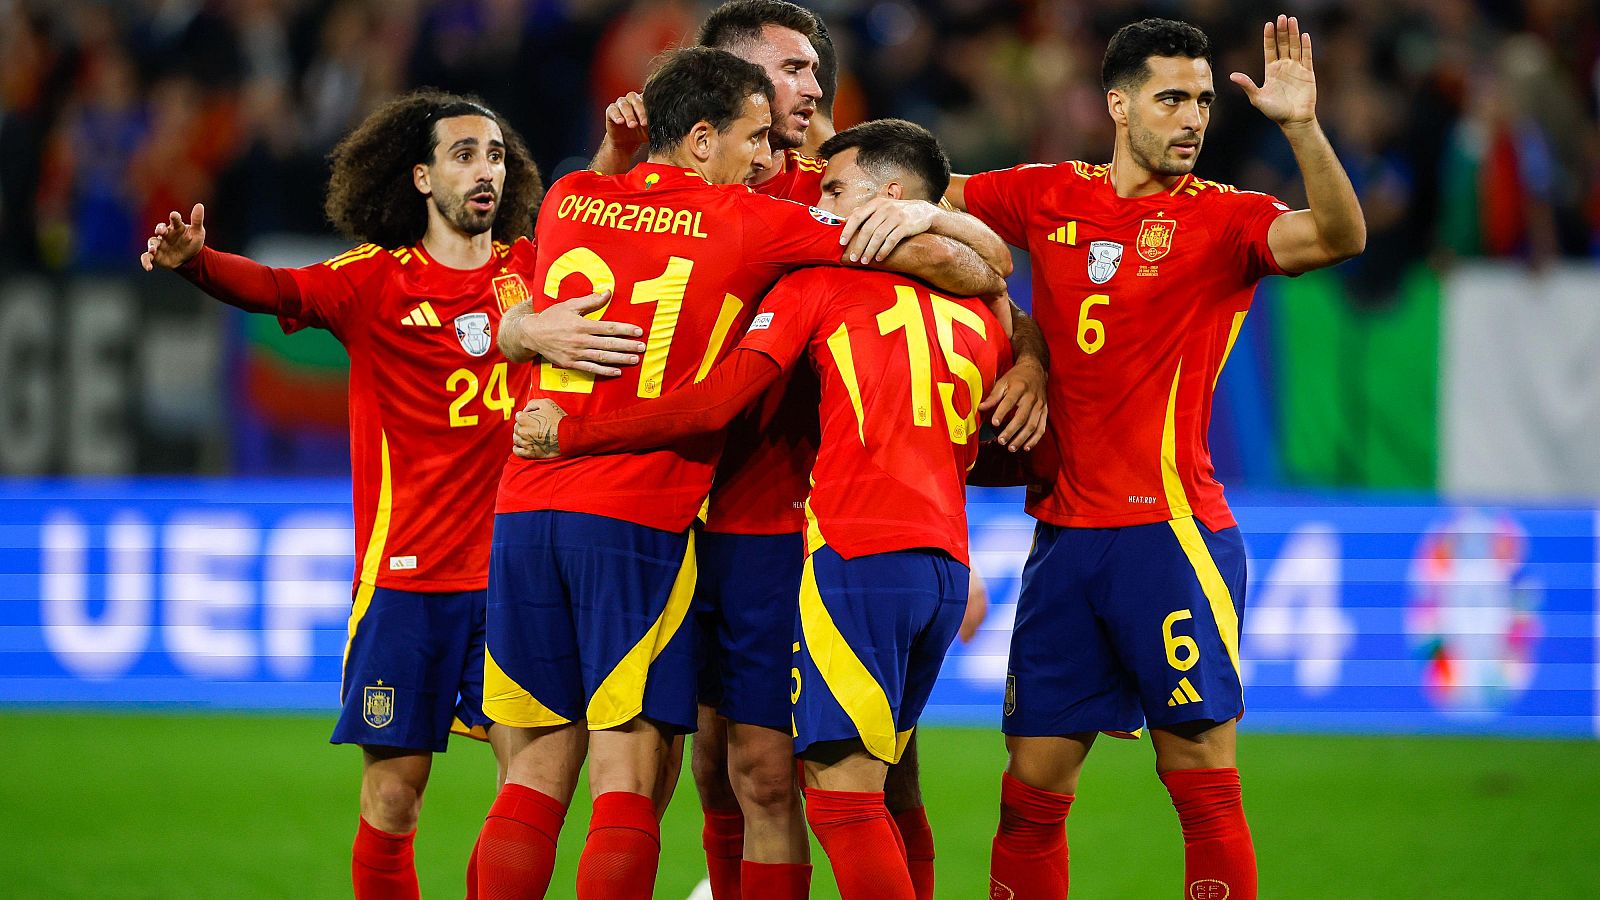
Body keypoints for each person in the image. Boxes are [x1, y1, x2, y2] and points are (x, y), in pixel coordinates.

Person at [473, 49, 1005, 900]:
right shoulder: (752, 220)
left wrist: (516, 333)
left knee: (533, 772)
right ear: (700, 138)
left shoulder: (571, 195)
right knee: (630, 778)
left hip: (528, 505)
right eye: (753, 135)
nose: (766, 155)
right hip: (641, 515)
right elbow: (959, 266)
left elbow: (520, 291)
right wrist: (963, 238)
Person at [138, 90, 641, 900]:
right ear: (420, 176)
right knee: (392, 802)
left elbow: (587, 209)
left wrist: (617, 149)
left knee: (529, 792)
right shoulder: (375, 279)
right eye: (464, 155)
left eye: (495, 156)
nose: (485, 171)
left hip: (513, 580)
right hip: (406, 583)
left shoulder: (528, 270)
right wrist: (197, 260)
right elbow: (279, 289)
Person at [594, 6, 1042, 900]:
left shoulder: (827, 185)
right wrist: (524, 324)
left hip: (798, 525)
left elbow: (985, 281)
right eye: (793, 69)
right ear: (730, 81)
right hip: (675, 511)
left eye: (813, 69)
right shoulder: (665, 182)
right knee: (714, 768)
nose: (814, 86)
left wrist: (1026, 355)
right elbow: (566, 259)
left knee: (821, 774)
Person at [945, 16, 1366, 899]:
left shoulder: (1224, 219)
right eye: (1172, 98)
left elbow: (1339, 235)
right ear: (1118, 104)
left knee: (1202, 786)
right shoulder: (1048, 194)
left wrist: (1301, 127)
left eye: (1204, 101)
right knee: (1029, 794)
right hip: (1063, 539)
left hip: (1169, 539)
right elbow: (915, 193)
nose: (1193, 118)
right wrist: (1026, 346)